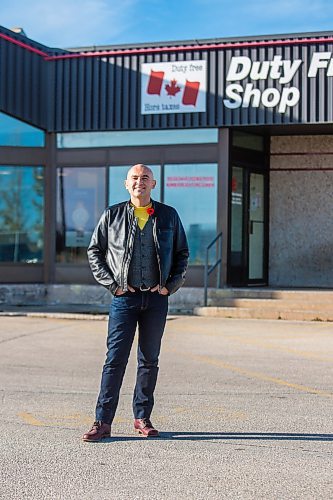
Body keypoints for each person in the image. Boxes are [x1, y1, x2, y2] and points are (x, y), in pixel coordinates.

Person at [83, 164, 189, 441]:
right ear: (126, 184)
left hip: (156, 299)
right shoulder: (112, 215)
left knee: (149, 360)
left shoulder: (168, 216)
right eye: (134, 178)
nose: (139, 182)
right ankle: (102, 422)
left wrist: (170, 286)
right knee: (114, 360)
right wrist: (113, 285)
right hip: (124, 299)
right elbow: (95, 252)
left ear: (153, 184)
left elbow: (182, 253)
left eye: (145, 178)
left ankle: (142, 417)